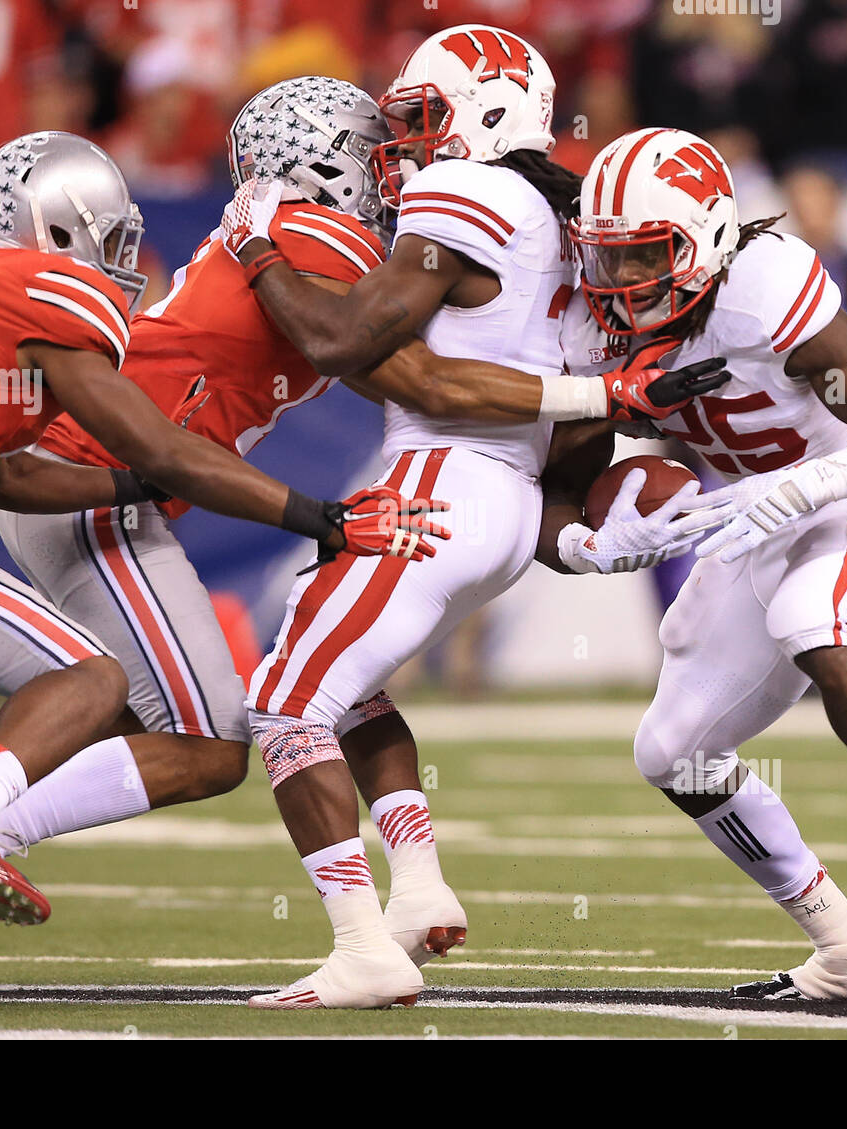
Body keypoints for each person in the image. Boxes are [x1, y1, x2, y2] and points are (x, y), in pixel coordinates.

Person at [0, 129, 443, 976]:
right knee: (91, 679)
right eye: (110, 236)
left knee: (136, 706)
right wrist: (323, 516)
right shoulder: (46, 287)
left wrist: (128, 486)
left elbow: (2, 476)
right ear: (57, 228)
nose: (120, 259)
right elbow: (165, 449)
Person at [218, 26, 730, 1011]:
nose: (407, 144)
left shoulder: (476, 192)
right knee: (346, 686)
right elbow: (521, 401)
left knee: (284, 698)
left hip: (441, 486)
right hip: (498, 501)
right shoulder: (562, 216)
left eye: (422, 119)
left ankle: (362, 947)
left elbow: (340, 337)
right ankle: (415, 888)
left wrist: (255, 249)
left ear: (493, 110)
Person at [543, 127, 847, 1000]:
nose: (620, 287)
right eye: (606, 261)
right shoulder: (589, 326)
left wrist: (812, 482)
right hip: (751, 520)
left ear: (706, 237)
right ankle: (846, 947)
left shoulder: (763, 290)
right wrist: (583, 543)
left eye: (644, 259)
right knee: (674, 749)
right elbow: (552, 486)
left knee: (810, 620)